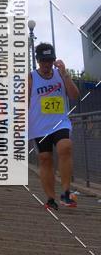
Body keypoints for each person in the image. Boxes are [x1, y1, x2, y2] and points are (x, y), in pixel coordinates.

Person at [28, 42, 79, 210]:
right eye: (43, 61)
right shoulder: (31, 77)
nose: (47, 65)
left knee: (65, 147)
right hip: (39, 125)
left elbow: (74, 96)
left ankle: (66, 192)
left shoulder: (60, 74)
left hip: (59, 122)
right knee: (45, 159)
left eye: (50, 61)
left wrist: (65, 74)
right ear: (38, 60)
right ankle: (51, 198)